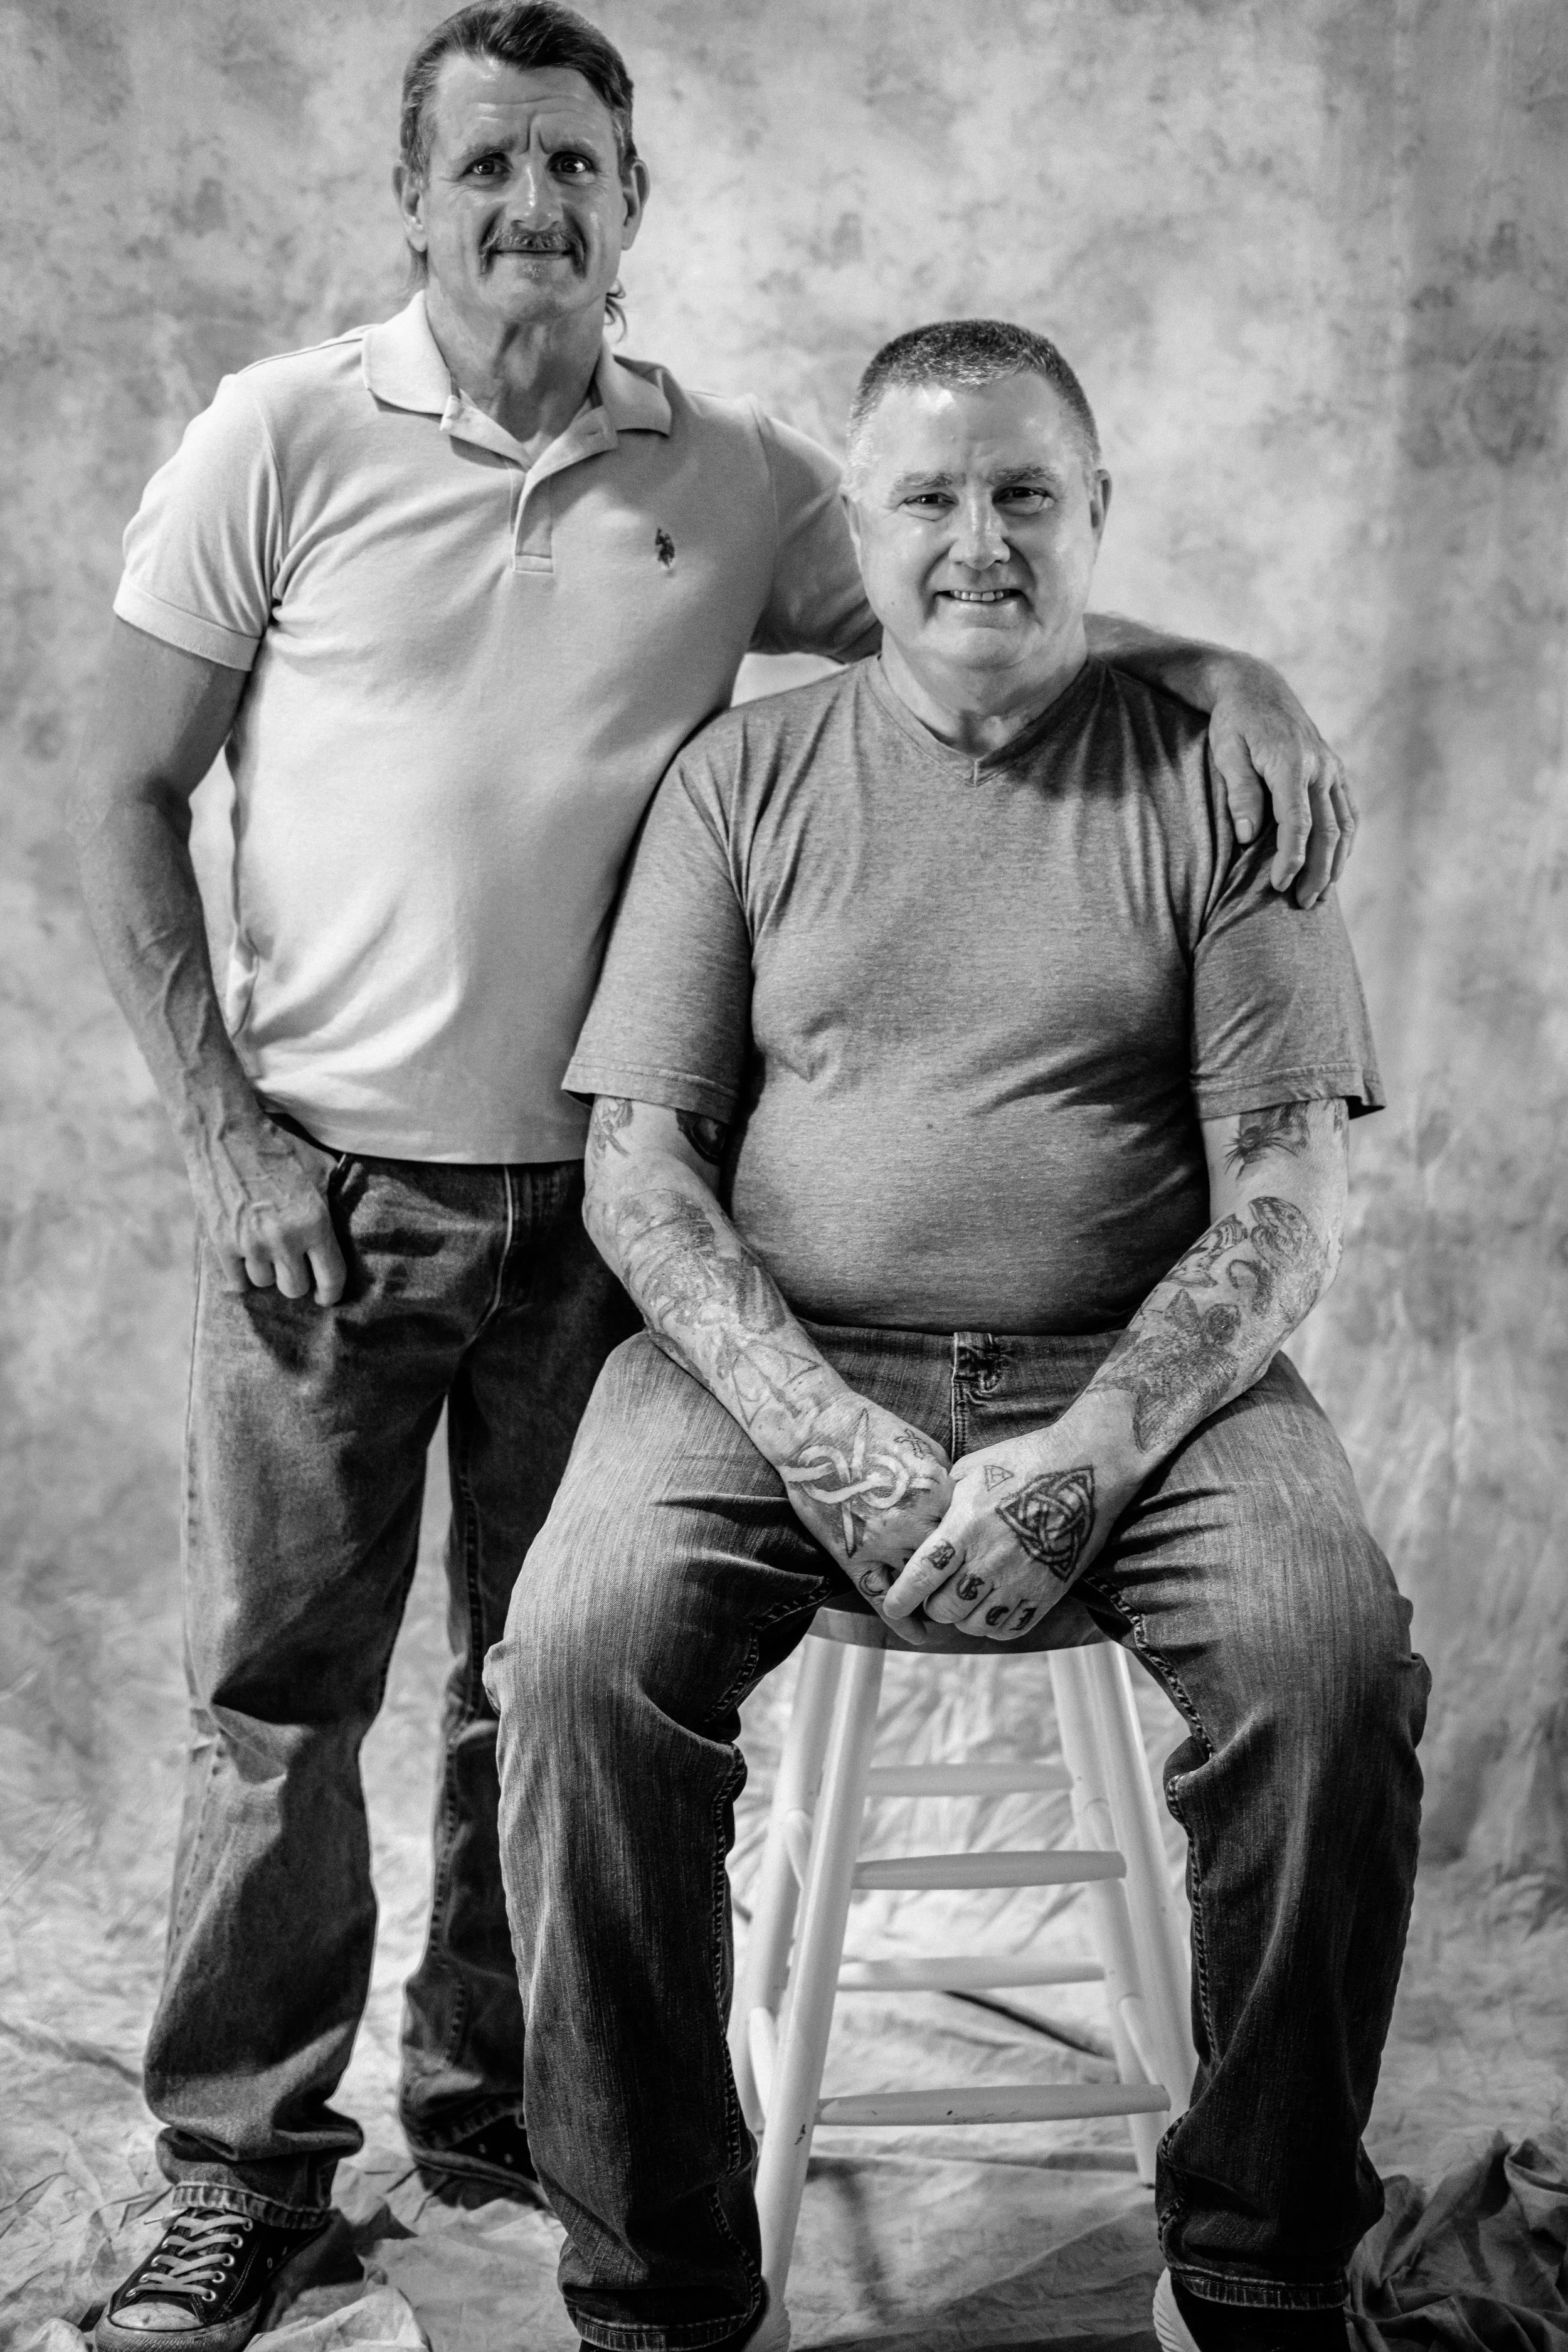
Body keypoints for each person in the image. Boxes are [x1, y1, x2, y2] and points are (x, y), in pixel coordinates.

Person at [72, 0, 1357, 2340]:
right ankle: (251, 2163)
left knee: (525, 1680)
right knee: (278, 1692)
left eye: (575, 165)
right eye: (486, 168)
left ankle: (512, 2109)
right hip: (338, 1182)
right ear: (413, 196)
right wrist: (221, 1126)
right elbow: (107, 795)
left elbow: (979, 579)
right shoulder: (280, 433)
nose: (531, 208)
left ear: (633, 203)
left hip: (606, 1215)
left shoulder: (745, 476)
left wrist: (1232, 671)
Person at [487, 317, 1429, 2352]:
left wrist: (1087, 1449)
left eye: (1025, 492)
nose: (977, 540)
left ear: (1096, 517)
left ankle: (1259, 2260)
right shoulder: (743, 777)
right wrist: (822, 1434)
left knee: (1332, 1658)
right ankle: (652, 2288)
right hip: (772, 1370)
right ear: (859, 521)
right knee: (574, 1656)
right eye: (928, 494)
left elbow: (1281, 1194)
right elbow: (639, 1167)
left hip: (1146, 1383)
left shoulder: (1223, 778)